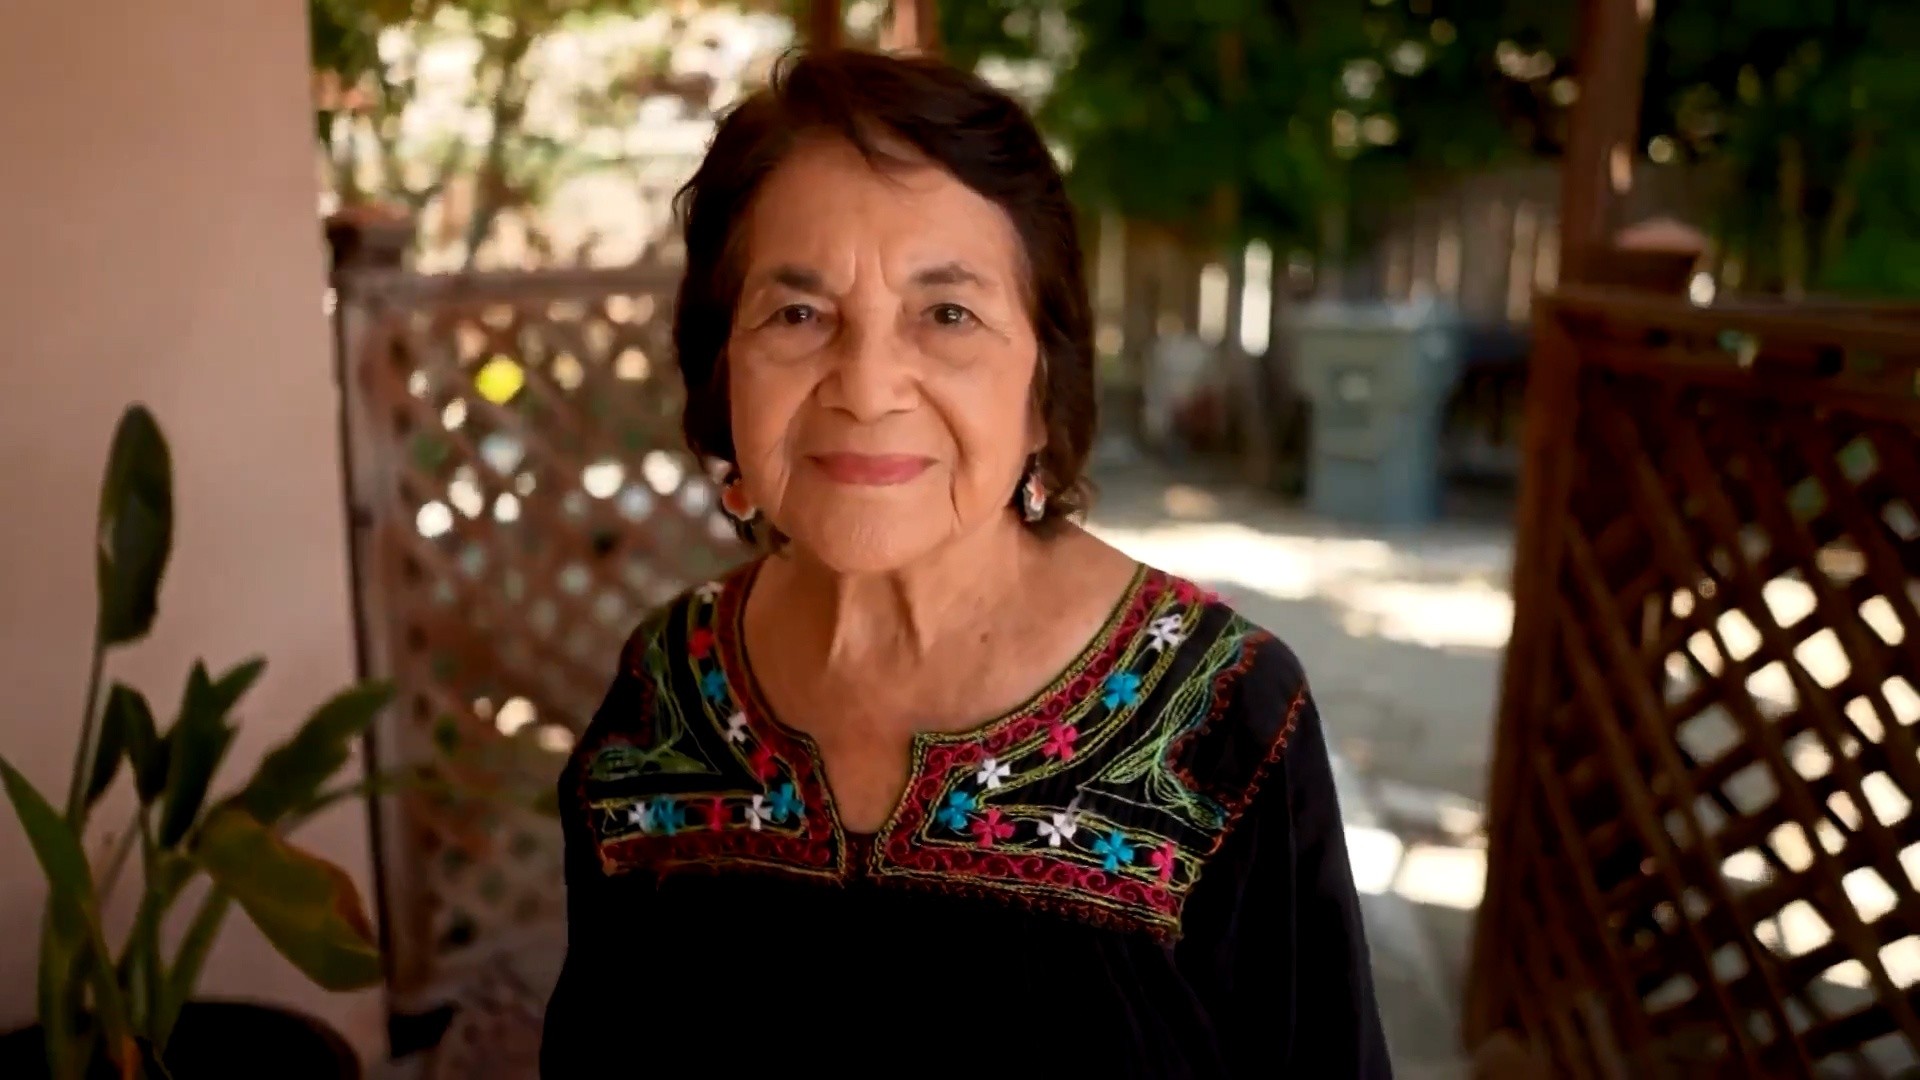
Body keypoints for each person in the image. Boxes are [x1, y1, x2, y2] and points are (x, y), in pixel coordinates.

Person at [540, 47, 1389, 1079]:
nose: (867, 388)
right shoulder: (663, 694)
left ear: (1042, 389)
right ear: (725, 375)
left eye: (948, 315)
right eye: (798, 314)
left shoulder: (1222, 719)